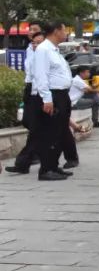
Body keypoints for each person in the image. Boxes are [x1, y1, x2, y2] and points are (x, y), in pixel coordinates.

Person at [30, 21, 74, 181]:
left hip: (62, 95)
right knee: (50, 133)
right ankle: (46, 169)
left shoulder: (54, 50)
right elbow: (41, 76)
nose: (66, 33)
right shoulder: (43, 50)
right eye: (64, 30)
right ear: (56, 31)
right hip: (52, 96)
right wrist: (47, 99)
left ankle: (54, 166)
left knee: (60, 132)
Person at [6, 24, 43, 175]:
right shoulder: (29, 49)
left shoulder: (44, 51)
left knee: (37, 128)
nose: (31, 33)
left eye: (35, 30)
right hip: (31, 89)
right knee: (31, 123)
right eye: (30, 30)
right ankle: (38, 155)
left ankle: (25, 161)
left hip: (40, 92)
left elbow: (41, 74)